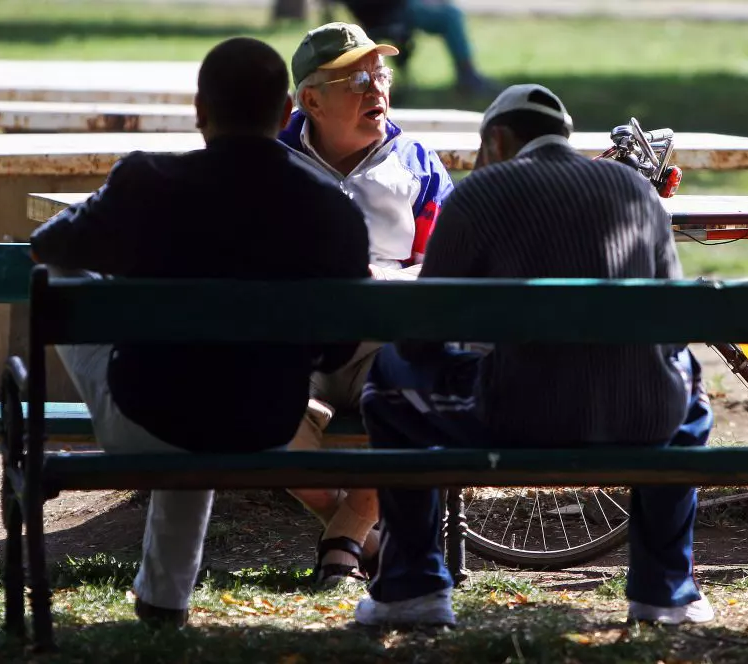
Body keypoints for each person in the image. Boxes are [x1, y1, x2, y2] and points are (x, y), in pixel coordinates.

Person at [28, 37, 371, 627]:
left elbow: (51, 245)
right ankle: (162, 599)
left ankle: (165, 600)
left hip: (143, 419)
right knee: (208, 386)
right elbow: (338, 347)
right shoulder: (332, 211)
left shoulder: (146, 182)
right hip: (266, 424)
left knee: (170, 377)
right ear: (288, 109)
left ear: (199, 110)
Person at [354, 84, 715, 627]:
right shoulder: (634, 191)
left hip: (516, 416)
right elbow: (672, 326)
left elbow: (420, 337)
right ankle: (665, 589)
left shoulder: (480, 194)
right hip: (639, 418)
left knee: (386, 381)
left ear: (497, 140)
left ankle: (412, 587)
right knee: (689, 393)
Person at [277, 21, 455, 587]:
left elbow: (449, 264)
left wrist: (384, 280)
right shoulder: (273, 166)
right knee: (260, 419)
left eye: (380, 75)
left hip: (383, 342)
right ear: (311, 100)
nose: (376, 90)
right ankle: (362, 535)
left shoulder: (418, 164)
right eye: (356, 81)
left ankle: (343, 544)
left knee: (415, 398)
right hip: (294, 347)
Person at [335, 0, 497, 96]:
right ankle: (468, 76)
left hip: (386, 9)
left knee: (444, 7)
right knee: (450, 15)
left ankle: (468, 76)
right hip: (388, 11)